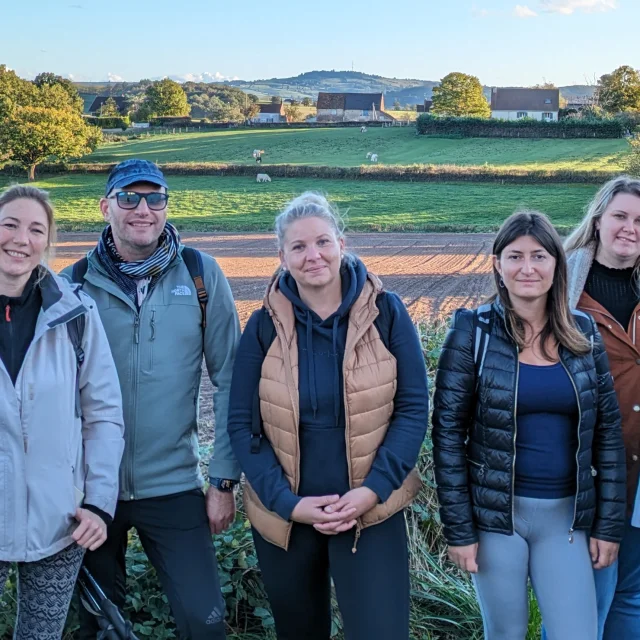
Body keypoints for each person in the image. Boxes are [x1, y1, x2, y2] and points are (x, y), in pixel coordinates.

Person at [227, 192, 429, 640]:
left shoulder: (387, 313)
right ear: (281, 256)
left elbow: (413, 409)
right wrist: (288, 503)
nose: (312, 255)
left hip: (370, 512)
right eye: (297, 247)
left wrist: (372, 491)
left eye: (322, 242)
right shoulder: (263, 325)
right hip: (287, 517)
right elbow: (243, 426)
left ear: (342, 242)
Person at [63, 159, 241, 639]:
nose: (143, 209)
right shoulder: (71, 285)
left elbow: (232, 379)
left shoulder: (201, 276)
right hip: (91, 490)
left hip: (175, 483)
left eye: (155, 198)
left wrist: (223, 481)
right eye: (128, 197)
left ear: (166, 206)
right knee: (101, 629)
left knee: (205, 625)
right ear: (105, 207)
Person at [432, 210, 626, 640]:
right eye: (515, 256)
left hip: (566, 521)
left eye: (539, 256)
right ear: (498, 264)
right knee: (506, 634)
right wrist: (460, 531)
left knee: (577, 634)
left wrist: (608, 526)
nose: (527, 268)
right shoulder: (472, 331)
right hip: (498, 519)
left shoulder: (584, 333)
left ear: (557, 264)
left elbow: (607, 435)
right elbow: (446, 435)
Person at [0, 185, 124, 639]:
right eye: (9, 224)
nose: (20, 238)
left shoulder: (75, 314)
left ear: (47, 242)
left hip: (60, 521)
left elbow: (104, 413)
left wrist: (96, 503)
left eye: (36, 229)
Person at [560, 175, 640, 639]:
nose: (630, 228)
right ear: (598, 219)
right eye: (621, 216)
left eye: (639, 220)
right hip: (586, 477)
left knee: (631, 598)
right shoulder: (562, 287)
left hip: (639, 477)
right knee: (581, 607)